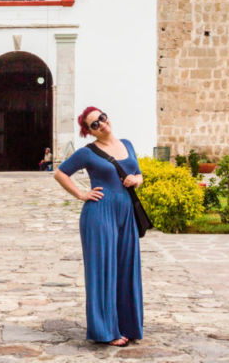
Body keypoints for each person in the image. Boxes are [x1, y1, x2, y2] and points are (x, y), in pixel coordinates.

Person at [53, 107, 143, 347]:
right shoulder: (87, 153)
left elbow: (138, 174)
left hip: (126, 214)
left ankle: (129, 325)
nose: (101, 124)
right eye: (95, 124)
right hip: (99, 214)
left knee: (126, 268)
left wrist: (136, 180)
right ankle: (106, 331)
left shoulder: (127, 144)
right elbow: (60, 173)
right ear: (89, 131)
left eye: (102, 118)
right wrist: (82, 194)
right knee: (103, 271)